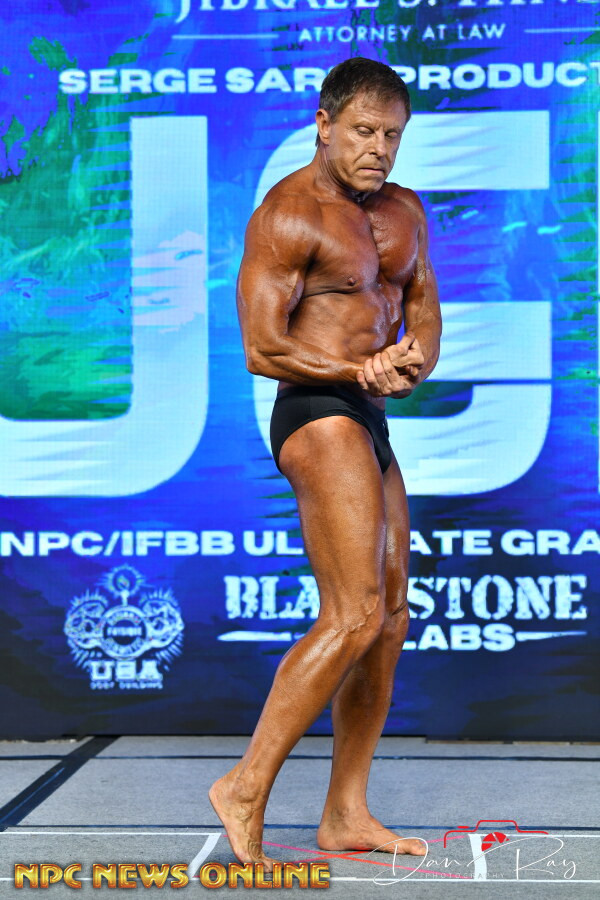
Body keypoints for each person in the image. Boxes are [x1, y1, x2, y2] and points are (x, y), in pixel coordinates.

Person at [210, 56, 442, 869]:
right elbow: (262, 347)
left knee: (390, 616)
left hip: (370, 413)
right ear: (323, 123)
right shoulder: (287, 215)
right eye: (363, 131)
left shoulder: (405, 211)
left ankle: (345, 811)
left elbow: (423, 311)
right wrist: (357, 371)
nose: (378, 148)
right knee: (352, 611)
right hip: (315, 411)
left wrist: (411, 363)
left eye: (392, 135)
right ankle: (245, 786)